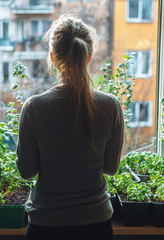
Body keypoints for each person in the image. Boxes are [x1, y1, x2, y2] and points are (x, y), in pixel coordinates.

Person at [16, 15, 124, 240]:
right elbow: (111, 168)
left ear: (53, 59)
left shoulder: (34, 108)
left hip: (46, 225)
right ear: (88, 57)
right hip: (97, 225)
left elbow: (26, 172)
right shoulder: (110, 106)